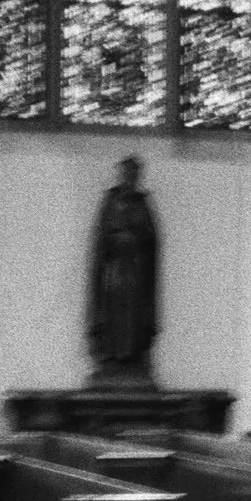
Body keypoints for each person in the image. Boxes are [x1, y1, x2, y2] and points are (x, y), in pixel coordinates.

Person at [86, 154, 158, 386]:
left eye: (134, 173)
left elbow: (152, 238)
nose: (130, 177)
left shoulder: (142, 202)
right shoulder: (110, 201)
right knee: (113, 310)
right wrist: (117, 240)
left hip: (136, 269)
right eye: (127, 172)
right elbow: (101, 238)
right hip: (115, 269)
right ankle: (112, 355)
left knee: (135, 311)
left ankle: (132, 356)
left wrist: (138, 238)